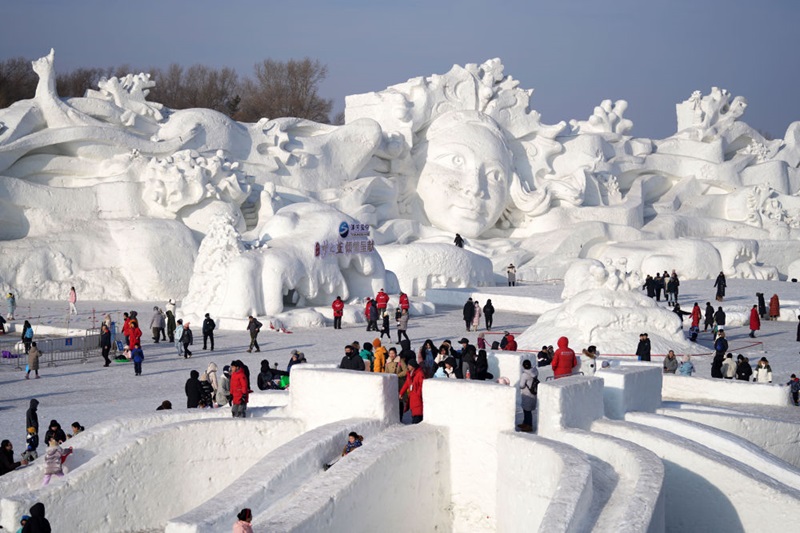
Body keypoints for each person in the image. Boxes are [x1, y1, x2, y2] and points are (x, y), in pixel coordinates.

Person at [385, 347, 408, 419]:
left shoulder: (400, 361)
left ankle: (400, 416)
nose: (391, 355)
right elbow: (386, 372)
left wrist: (397, 375)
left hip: (400, 383)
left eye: (393, 353)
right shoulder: (387, 362)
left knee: (400, 399)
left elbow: (406, 371)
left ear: (396, 353)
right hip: (391, 383)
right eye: (390, 353)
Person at [518, 359, 538, 432]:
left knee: (527, 410)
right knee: (528, 410)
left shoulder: (525, 375)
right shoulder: (535, 372)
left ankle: (529, 425)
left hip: (527, 393)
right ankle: (525, 423)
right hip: (533, 393)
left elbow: (521, 385)